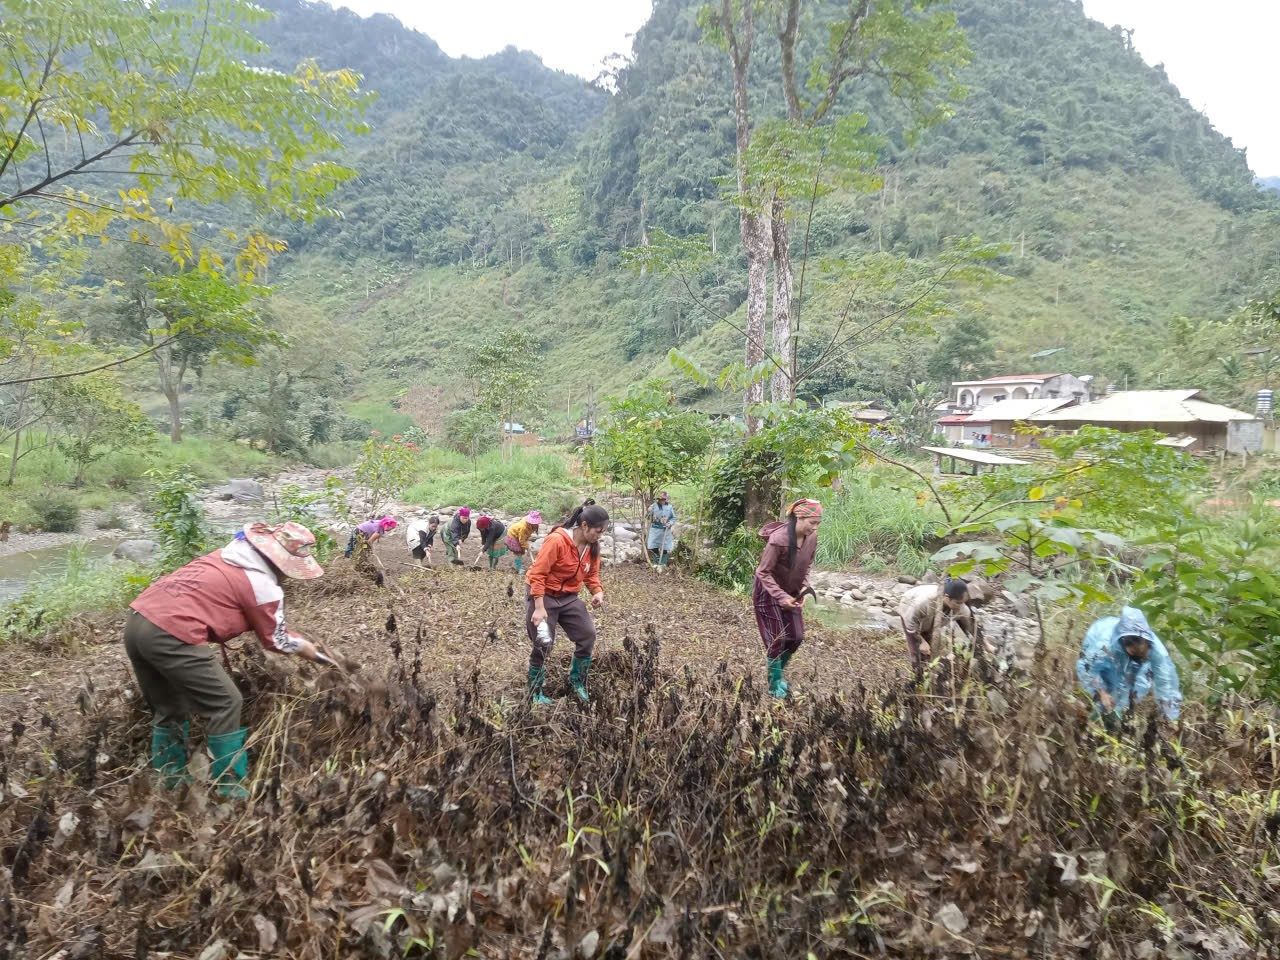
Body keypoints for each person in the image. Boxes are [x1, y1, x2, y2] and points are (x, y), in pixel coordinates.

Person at [125, 522, 337, 798]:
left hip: (137, 622)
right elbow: (275, 639)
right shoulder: (261, 584)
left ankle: (169, 781)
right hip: (172, 634)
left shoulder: (227, 556)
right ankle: (230, 788)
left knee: (169, 706)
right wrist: (306, 648)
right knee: (226, 702)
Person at [525, 500, 609, 705]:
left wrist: (597, 592)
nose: (600, 536)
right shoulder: (557, 541)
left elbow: (591, 574)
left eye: (603, 532)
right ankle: (535, 693)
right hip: (544, 595)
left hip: (569, 598)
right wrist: (538, 607)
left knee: (587, 635)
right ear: (584, 526)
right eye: (598, 531)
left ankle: (576, 682)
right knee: (543, 643)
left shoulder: (591, 547)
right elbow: (538, 574)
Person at [753, 499, 823, 700]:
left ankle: (778, 673)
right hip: (767, 593)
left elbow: (807, 564)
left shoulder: (812, 538)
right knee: (778, 638)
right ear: (799, 517)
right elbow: (763, 572)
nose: (815, 527)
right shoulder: (778, 540)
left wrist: (804, 586)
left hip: (793, 592)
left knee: (797, 636)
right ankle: (774, 684)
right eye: (812, 522)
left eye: (818, 523)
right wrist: (781, 596)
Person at [1077, 606, 1182, 725]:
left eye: (1143, 652)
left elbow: (1166, 684)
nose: (1142, 655)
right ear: (1124, 645)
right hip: (1103, 655)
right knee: (1107, 690)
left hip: (1135, 667)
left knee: (1127, 692)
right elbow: (1087, 668)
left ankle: (1114, 718)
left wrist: (1169, 719)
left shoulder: (1157, 650)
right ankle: (1093, 722)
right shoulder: (1104, 645)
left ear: (1147, 642)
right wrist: (1101, 691)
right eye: (1134, 653)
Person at [898, 578, 985, 674]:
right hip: (909, 607)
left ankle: (929, 671)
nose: (961, 606)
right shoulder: (923, 602)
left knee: (929, 648)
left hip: (931, 619)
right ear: (947, 598)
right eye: (958, 603)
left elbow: (972, 626)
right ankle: (918, 676)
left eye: (963, 602)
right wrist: (921, 641)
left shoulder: (960, 607)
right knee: (917, 650)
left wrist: (983, 643)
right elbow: (910, 624)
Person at [504, 511, 542, 576]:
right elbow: (521, 540)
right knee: (518, 553)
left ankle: (518, 565)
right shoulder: (523, 527)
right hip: (513, 536)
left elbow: (524, 536)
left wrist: (527, 541)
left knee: (521, 550)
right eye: (534, 523)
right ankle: (519, 569)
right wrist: (527, 546)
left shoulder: (531, 525)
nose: (536, 524)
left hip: (520, 535)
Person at [647, 491, 677, 570]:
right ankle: (655, 563)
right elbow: (647, 517)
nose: (662, 501)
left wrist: (669, 523)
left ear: (666, 499)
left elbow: (673, 518)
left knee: (665, 547)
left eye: (664, 499)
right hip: (655, 529)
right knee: (653, 546)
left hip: (665, 530)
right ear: (658, 499)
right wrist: (648, 511)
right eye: (660, 499)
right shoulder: (654, 506)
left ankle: (663, 564)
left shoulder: (669, 507)